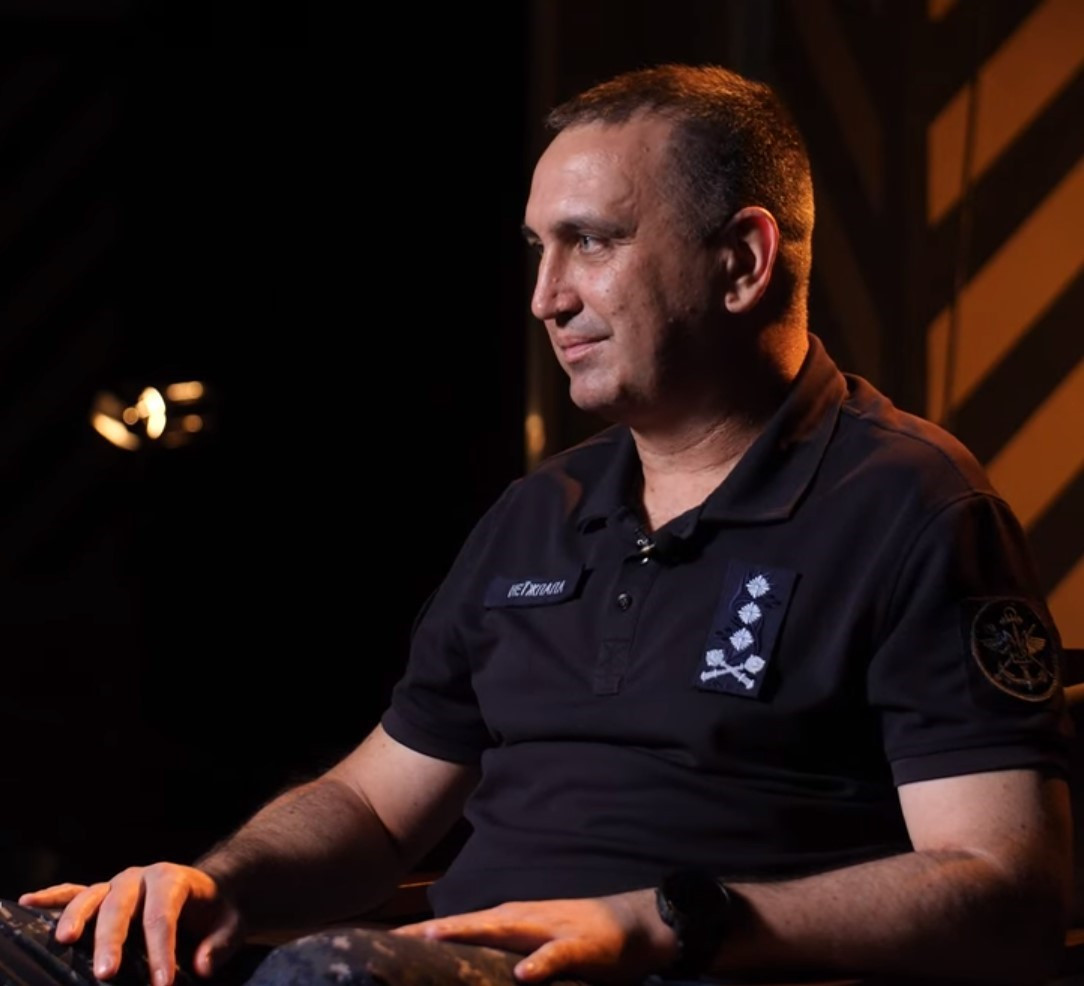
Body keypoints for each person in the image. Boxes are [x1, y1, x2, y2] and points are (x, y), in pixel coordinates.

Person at [9, 63, 1072, 986]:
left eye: (591, 243)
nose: (545, 297)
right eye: (537, 250)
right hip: (429, 967)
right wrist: (213, 884)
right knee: (32, 948)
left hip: (671, 969)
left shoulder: (910, 504)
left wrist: (659, 925)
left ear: (744, 261)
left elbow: (1006, 889)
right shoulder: (541, 512)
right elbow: (375, 809)